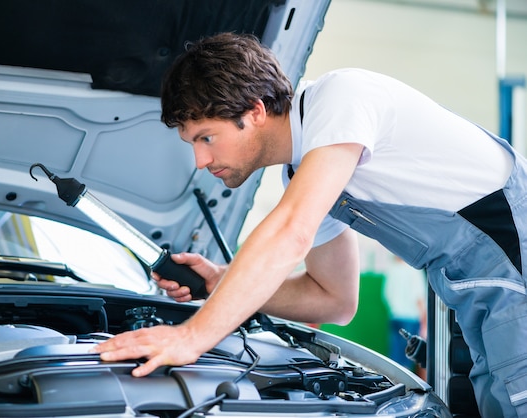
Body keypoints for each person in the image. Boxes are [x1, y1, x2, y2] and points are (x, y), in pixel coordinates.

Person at [90, 32, 527, 417]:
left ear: (255, 110)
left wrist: (192, 336)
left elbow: (291, 230)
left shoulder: (341, 99)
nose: (200, 161)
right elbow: (333, 300)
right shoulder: (303, 171)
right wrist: (218, 283)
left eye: (206, 137)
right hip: (479, 296)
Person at [382, 256, 427, 375]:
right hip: (411, 319)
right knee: (412, 359)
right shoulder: (414, 269)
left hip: (395, 317)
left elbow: (387, 294)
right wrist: (425, 323)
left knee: (397, 361)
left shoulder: (392, 268)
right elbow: (419, 298)